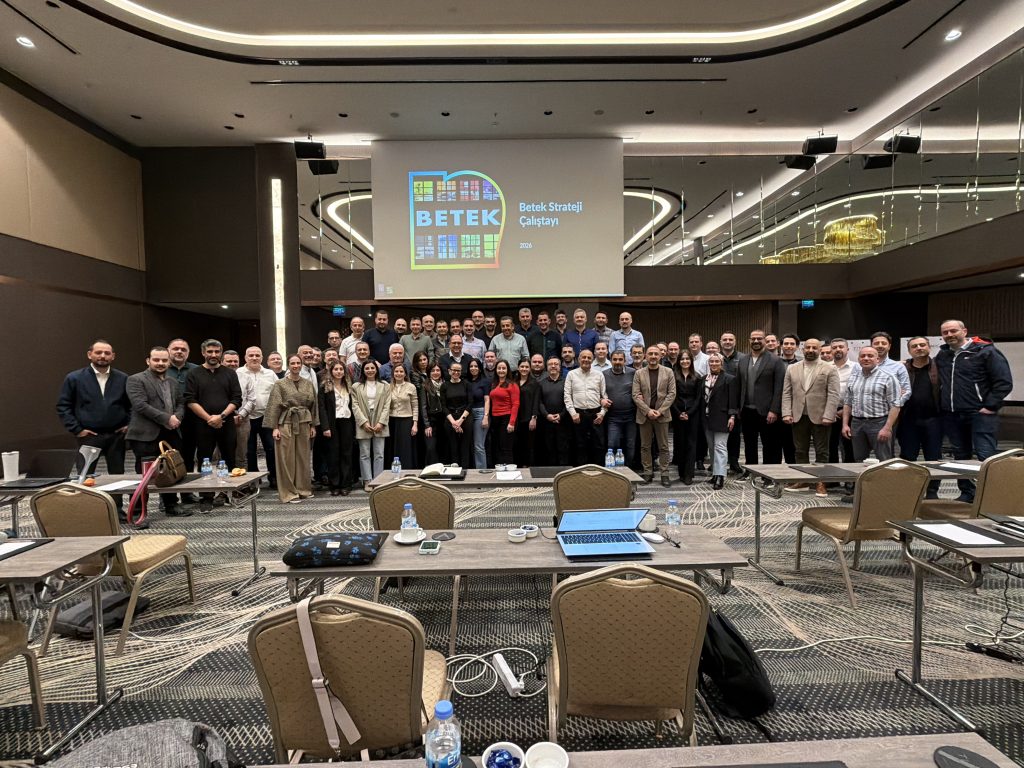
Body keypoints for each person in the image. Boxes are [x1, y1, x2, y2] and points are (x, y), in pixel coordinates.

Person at [935, 319, 1014, 502]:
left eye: (953, 331)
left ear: (964, 331)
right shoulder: (943, 355)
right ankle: (967, 493)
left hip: (980, 414)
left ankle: (993, 498)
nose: (949, 335)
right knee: (960, 458)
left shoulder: (986, 351)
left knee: (985, 456)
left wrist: (990, 406)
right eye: (945, 332)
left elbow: (1004, 382)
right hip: (952, 415)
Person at [57, 339, 131, 510]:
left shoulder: (123, 378)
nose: (103, 356)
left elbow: (132, 405)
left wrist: (129, 424)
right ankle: (87, 512)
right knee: (85, 476)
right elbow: (63, 406)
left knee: (117, 476)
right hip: (88, 436)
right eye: (98, 352)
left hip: (116, 435)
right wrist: (77, 429)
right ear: (89, 355)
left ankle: (117, 510)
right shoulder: (74, 378)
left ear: (113, 356)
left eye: (107, 353)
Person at [125, 345, 187, 521]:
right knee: (143, 476)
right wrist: (167, 418)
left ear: (169, 362)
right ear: (148, 361)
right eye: (156, 360)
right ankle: (138, 512)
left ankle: (171, 505)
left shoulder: (173, 382)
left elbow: (181, 403)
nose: (160, 363)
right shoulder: (136, 379)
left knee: (170, 470)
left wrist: (177, 417)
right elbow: (140, 405)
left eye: (164, 360)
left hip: (170, 433)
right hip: (145, 435)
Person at [184, 339, 242, 512]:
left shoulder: (230, 373)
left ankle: (228, 493)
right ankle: (206, 497)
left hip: (226, 422)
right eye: (210, 351)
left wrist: (221, 416)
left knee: (229, 459)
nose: (213, 355)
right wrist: (209, 418)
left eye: (217, 351)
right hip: (203, 424)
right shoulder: (194, 373)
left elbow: (236, 399)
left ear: (221, 353)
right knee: (205, 461)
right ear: (203, 353)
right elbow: (190, 400)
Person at [781, 338, 841, 497]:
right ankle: (804, 480)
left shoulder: (829, 368)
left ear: (820, 350)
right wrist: (786, 412)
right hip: (798, 415)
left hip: (821, 417)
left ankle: (821, 482)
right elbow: (786, 392)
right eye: (808, 347)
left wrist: (829, 415)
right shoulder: (792, 368)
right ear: (802, 349)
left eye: (815, 348)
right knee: (800, 450)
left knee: (822, 451)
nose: (811, 350)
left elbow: (834, 394)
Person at [265, 354, 318, 503]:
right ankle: (288, 492)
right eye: (292, 363)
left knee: (303, 457)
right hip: (286, 422)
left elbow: (314, 406)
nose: (296, 366)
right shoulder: (280, 384)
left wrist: (313, 425)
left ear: (301, 365)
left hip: (304, 421)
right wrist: (274, 428)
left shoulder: (308, 383)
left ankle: (303, 489)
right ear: (288, 365)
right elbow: (274, 406)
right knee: (286, 458)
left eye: (298, 363)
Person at [899, 336, 943, 499]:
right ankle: (908, 491)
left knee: (934, 458)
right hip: (908, 420)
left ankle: (932, 492)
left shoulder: (939, 367)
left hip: (933, 420)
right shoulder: (902, 369)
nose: (919, 348)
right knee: (907, 457)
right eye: (914, 346)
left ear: (929, 347)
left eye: (922, 345)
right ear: (909, 351)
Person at [739, 329, 786, 473]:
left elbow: (779, 388)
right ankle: (751, 471)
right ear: (749, 341)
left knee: (770, 444)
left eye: (759, 338)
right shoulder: (743, 360)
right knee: (749, 443)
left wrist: (774, 410)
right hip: (747, 410)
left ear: (764, 340)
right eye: (753, 339)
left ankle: (769, 474)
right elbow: (739, 385)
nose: (756, 341)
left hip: (767, 411)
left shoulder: (775, 360)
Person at [842, 347, 900, 462]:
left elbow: (895, 405)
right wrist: (845, 425)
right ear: (858, 359)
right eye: (863, 356)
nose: (866, 358)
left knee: (884, 459)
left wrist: (887, 428)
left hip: (879, 423)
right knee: (859, 460)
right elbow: (847, 403)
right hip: (857, 423)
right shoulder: (853, 377)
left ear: (877, 359)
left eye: (870, 356)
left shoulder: (888, 377)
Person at [633, 345, 677, 487]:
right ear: (645, 356)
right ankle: (648, 472)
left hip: (662, 416)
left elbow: (672, 394)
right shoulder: (639, 373)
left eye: (656, 354)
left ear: (660, 356)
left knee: (663, 446)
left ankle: (664, 474)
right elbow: (635, 395)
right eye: (650, 354)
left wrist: (660, 411)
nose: (653, 356)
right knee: (645, 446)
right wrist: (648, 411)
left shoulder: (668, 372)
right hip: (644, 415)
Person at [236, 346, 278, 486]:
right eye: (251, 355)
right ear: (245, 358)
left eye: (257, 355)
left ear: (262, 358)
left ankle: (273, 477)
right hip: (245, 417)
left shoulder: (270, 374)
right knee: (249, 450)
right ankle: (254, 479)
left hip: (266, 416)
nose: (254, 358)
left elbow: (277, 394)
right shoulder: (238, 373)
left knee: (271, 448)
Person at [352, 359, 392, 490]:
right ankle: (367, 480)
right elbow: (355, 405)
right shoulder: (356, 386)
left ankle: (378, 480)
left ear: (377, 370)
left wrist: (381, 422)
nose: (370, 370)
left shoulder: (385, 385)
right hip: (363, 419)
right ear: (363, 370)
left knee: (379, 453)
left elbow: (387, 405)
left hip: (380, 418)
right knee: (364, 453)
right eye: (367, 368)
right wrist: (363, 422)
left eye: (372, 368)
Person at [564, 349, 607, 464]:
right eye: (583, 357)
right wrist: (573, 413)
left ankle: (598, 470)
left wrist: (602, 413)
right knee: (579, 445)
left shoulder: (599, 375)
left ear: (592, 360)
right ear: (578, 359)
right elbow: (567, 396)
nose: (586, 360)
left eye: (589, 358)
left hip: (596, 414)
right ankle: (580, 470)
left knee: (598, 445)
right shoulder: (571, 374)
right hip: (578, 414)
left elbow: (604, 396)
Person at [318, 361, 355, 496]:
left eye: (341, 369)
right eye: (336, 369)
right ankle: (334, 484)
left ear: (344, 372)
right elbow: (321, 408)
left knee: (346, 453)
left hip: (347, 422)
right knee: (333, 454)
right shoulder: (325, 387)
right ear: (331, 371)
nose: (339, 372)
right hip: (332, 423)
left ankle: (346, 484)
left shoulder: (349, 386)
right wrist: (325, 427)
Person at [703, 354, 739, 490]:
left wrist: (732, 416)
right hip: (706, 418)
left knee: (720, 447)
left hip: (722, 418)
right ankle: (714, 473)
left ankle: (720, 476)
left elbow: (733, 400)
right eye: (711, 361)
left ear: (721, 363)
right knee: (711, 447)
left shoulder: (729, 379)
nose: (713, 363)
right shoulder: (703, 379)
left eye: (716, 361)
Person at [671, 350, 703, 484]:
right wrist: (679, 413)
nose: (685, 361)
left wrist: (689, 413)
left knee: (691, 443)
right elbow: (671, 396)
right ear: (679, 361)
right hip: (677, 412)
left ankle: (689, 473)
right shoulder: (673, 376)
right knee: (680, 443)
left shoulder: (697, 377)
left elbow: (698, 398)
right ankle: (681, 472)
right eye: (682, 359)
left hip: (693, 414)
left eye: (687, 359)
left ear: (691, 361)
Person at [603, 350, 637, 468]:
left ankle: (629, 470)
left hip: (631, 416)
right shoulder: (604, 374)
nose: (617, 362)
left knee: (630, 445)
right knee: (612, 444)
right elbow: (598, 392)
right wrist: (601, 400)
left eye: (620, 359)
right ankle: (613, 472)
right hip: (613, 417)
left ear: (625, 361)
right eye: (615, 359)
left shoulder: (633, 373)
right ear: (610, 360)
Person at [720, 331, 747, 474]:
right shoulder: (716, 358)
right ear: (721, 342)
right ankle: (718, 462)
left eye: (730, 339)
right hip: (719, 401)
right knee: (719, 434)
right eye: (725, 339)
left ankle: (734, 461)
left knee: (735, 434)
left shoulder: (743, 358)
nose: (728, 342)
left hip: (736, 401)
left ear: (735, 342)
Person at [829, 338, 857, 468]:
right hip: (829, 412)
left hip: (850, 411)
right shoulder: (825, 367)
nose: (838, 349)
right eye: (834, 347)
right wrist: (830, 410)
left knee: (848, 445)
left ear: (847, 349)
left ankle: (849, 474)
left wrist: (845, 410)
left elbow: (858, 391)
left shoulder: (856, 367)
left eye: (841, 347)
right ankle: (832, 475)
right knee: (830, 445)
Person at [485, 359, 519, 465]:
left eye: (504, 368)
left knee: (506, 448)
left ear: (507, 370)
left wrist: (511, 423)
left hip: (507, 418)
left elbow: (516, 404)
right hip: (495, 419)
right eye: (499, 368)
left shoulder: (512, 385)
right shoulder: (494, 384)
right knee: (497, 447)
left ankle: (509, 471)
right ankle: (500, 470)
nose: (501, 370)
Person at [538, 357, 571, 465]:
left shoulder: (566, 382)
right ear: (546, 367)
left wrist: (561, 415)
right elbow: (539, 402)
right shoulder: (541, 383)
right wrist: (547, 415)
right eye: (550, 364)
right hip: (546, 422)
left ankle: (563, 472)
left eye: (556, 364)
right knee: (548, 449)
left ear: (560, 367)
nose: (553, 366)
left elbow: (570, 401)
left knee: (563, 449)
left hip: (563, 421)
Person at [387, 363, 419, 470]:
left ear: (405, 374)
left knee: (405, 447)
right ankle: (394, 471)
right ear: (393, 373)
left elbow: (415, 406)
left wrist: (415, 424)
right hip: (392, 420)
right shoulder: (388, 387)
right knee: (393, 447)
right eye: (396, 371)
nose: (399, 373)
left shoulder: (411, 387)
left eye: (401, 371)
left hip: (407, 421)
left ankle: (407, 470)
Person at [442, 361, 472, 467]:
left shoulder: (466, 384)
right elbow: (444, 406)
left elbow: (470, 403)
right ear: (449, 371)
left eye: (458, 370)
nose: (456, 372)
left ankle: (465, 470)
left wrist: (460, 421)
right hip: (450, 418)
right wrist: (453, 422)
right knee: (452, 446)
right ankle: (454, 471)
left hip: (465, 417)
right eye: (454, 370)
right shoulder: (444, 386)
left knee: (465, 446)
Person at [870, 332, 912, 407]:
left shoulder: (898, 367)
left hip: (890, 410)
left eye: (884, 343)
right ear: (871, 346)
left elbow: (907, 391)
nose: (880, 345)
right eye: (876, 343)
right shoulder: (860, 367)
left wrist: (894, 407)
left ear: (889, 346)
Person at [421, 362, 448, 465]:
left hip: (445, 421)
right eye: (433, 371)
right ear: (429, 373)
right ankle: (431, 470)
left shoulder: (446, 384)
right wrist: (427, 425)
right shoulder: (425, 386)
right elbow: (423, 407)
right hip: (431, 421)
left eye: (438, 370)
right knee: (431, 448)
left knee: (444, 448)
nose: (435, 372)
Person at [467, 358, 491, 469]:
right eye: (471, 366)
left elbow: (487, 400)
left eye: (476, 366)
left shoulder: (485, 381)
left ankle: (481, 472)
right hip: (468, 414)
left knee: (479, 445)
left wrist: (485, 416)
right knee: (471, 445)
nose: (473, 368)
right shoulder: (466, 381)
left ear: (480, 368)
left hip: (480, 413)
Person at [513, 359, 539, 466]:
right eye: (522, 366)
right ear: (518, 368)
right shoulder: (513, 382)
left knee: (528, 445)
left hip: (528, 418)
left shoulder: (534, 383)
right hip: (515, 418)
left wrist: (534, 418)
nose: (524, 369)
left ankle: (527, 467)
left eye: (526, 367)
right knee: (516, 444)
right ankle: (518, 466)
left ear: (530, 369)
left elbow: (536, 401)